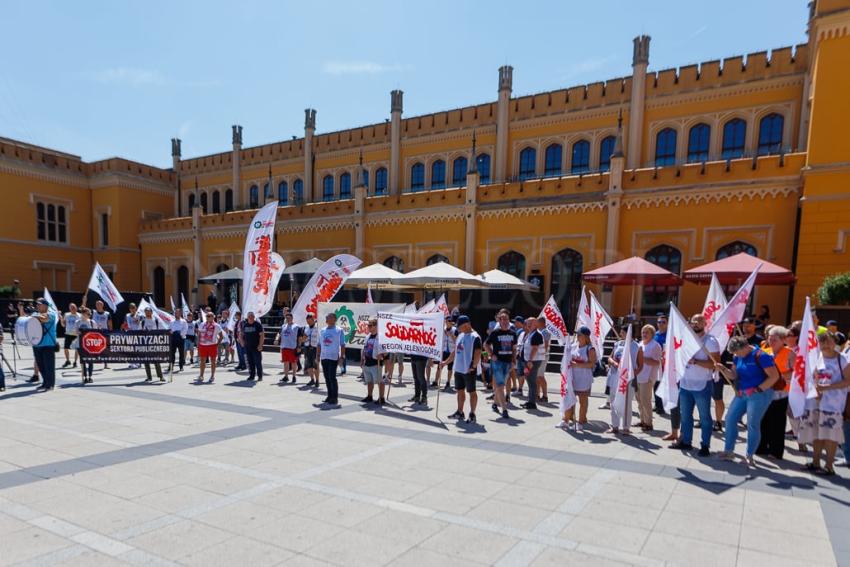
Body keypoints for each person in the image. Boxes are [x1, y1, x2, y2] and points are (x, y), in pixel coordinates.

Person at [715, 335, 780, 465]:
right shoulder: (737, 356)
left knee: (752, 424)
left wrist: (758, 389)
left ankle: (749, 455)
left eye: (738, 352)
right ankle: (729, 451)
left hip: (760, 394)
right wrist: (723, 369)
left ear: (745, 347)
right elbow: (734, 375)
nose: (737, 355)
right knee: (730, 419)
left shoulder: (761, 356)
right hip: (742, 393)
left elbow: (774, 377)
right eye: (734, 354)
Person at [797, 331, 850, 475]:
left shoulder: (843, 360)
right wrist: (814, 389)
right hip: (814, 402)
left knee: (830, 435)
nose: (826, 345)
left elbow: (848, 381)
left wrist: (828, 388)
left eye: (829, 341)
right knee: (816, 433)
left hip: (833, 404)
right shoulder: (815, 357)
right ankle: (815, 462)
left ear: (835, 342)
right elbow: (809, 377)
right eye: (823, 342)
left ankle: (829, 465)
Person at [670, 314, 721, 456]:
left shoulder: (710, 341)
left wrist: (696, 362)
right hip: (685, 384)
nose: (696, 323)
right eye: (693, 321)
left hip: (702, 385)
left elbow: (715, 364)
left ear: (705, 323)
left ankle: (705, 445)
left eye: (699, 321)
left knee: (704, 417)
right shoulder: (687, 339)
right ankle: (686, 441)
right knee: (685, 416)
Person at [756, 326, 794, 460]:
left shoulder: (789, 353)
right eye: (770, 339)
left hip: (781, 393)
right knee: (763, 421)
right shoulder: (764, 351)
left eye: (775, 340)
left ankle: (775, 451)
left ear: (783, 340)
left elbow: (795, 371)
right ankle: (761, 447)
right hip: (766, 392)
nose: (771, 342)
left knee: (777, 423)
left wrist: (777, 375)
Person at [442, 315, 481, 423]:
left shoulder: (475, 337)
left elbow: (478, 353)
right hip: (458, 369)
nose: (458, 328)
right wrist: (445, 362)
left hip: (469, 370)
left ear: (467, 324)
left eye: (460, 326)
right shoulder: (460, 335)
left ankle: (472, 414)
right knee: (460, 391)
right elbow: (455, 352)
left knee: (472, 391)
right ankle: (460, 412)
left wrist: (473, 366)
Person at [604, 325, 642, 434]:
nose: (621, 334)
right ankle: (615, 426)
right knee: (613, 402)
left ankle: (626, 427)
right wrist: (614, 363)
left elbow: (640, 365)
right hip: (614, 377)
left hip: (628, 380)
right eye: (620, 332)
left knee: (627, 403)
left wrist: (632, 375)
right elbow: (609, 358)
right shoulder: (617, 344)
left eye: (623, 332)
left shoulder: (637, 346)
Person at [485, 309, 516, 419]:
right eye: (502, 319)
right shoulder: (495, 332)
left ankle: (495, 403)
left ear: (509, 320)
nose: (504, 321)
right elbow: (486, 344)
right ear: (499, 320)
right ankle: (504, 409)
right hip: (497, 363)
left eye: (506, 319)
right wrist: (491, 354)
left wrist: (514, 361)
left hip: (508, 363)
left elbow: (514, 349)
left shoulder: (513, 333)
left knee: (500, 386)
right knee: (500, 385)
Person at [564, 326, 596, 431]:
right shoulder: (574, 346)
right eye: (577, 334)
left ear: (586, 337)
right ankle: (568, 419)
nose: (577, 336)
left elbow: (592, 364)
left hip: (584, 379)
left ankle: (581, 421)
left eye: (580, 334)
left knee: (583, 401)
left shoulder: (590, 349)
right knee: (570, 399)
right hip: (573, 378)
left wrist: (576, 365)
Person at [21, 299, 57, 392]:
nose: (37, 306)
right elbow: (25, 320)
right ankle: (45, 382)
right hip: (37, 344)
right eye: (37, 305)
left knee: (49, 366)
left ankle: (50, 384)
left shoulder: (52, 314)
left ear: (46, 305)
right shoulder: (34, 315)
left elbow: (44, 318)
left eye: (39, 304)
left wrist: (33, 317)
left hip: (48, 344)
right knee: (41, 366)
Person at [636, 324, 662, 431]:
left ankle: (649, 423)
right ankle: (642, 420)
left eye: (647, 332)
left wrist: (643, 359)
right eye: (643, 332)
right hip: (637, 375)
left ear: (652, 334)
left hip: (648, 377)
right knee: (639, 400)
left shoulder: (655, 345)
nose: (644, 334)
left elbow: (657, 362)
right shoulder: (640, 344)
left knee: (646, 400)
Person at [317, 312, 346, 407]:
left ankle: (334, 397)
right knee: (326, 377)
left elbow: (342, 344)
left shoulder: (339, 330)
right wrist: (317, 356)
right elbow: (319, 344)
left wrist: (342, 357)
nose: (327, 318)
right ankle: (329, 396)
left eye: (329, 317)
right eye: (326, 317)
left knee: (332, 377)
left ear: (334, 319)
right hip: (324, 357)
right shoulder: (322, 330)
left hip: (333, 357)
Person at [520, 318, 545, 411]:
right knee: (529, 381)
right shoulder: (530, 334)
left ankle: (532, 402)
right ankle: (530, 401)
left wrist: (530, 361)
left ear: (536, 324)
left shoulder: (537, 334)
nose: (529, 324)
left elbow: (535, 348)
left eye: (531, 323)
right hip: (529, 361)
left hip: (533, 361)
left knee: (532, 381)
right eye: (528, 323)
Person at [360, 319, 385, 405]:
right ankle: (369, 396)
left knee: (379, 381)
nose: (368, 327)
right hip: (367, 362)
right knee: (369, 381)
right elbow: (364, 348)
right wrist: (362, 359)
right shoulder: (368, 336)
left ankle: (381, 398)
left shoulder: (381, 336)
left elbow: (386, 350)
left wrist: (382, 355)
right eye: (368, 325)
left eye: (370, 325)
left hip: (376, 362)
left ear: (375, 326)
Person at [197, 311, 224, 383]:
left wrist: (217, 344)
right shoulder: (202, 324)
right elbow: (199, 335)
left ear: (213, 317)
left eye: (209, 316)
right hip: (202, 345)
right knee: (202, 361)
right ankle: (201, 375)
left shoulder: (217, 326)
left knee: (213, 362)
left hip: (212, 346)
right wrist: (198, 344)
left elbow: (221, 336)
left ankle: (212, 376)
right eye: (207, 316)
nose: (207, 317)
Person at [140, 307, 165, 382]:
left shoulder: (156, 320)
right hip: (146, 344)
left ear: (151, 312)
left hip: (154, 343)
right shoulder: (143, 321)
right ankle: (149, 377)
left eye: (148, 311)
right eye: (146, 312)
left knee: (156, 361)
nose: (147, 313)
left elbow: (162, 330)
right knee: (146, 361)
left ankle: (161, 376)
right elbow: (138, 332)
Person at [432, 317, 455, 391]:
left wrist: (451, 335)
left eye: (449, 321)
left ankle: (448, 382)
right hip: (444, 351)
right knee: (439, 366)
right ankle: (436, 381)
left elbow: (457, 341)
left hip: (451, 352)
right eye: (447, 321)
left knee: (450, 368)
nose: (448, 322)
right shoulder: (443, 329)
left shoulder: (455, 330)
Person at [240, 311, 265, 382]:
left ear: (254, 317)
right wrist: (242, 342)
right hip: (248, 347)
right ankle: (252, 375)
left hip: (256, 347)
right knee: (250, 362)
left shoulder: (257, 325)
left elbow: (262, 335)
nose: (250, 317)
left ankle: (260, 376)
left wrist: (260, 345)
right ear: (247, 318)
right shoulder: (245, 325)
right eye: (249, 316)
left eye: (252, 316)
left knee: (258, 362)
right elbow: (241, 334)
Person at [276, 312, 300, 383]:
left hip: (292, 347)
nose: (287, 319)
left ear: (292, 318)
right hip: (284, 346)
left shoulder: (296, 326)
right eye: (286, 318)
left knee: (293, 363)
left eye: (289, 318)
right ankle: (286, 376)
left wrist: (299, 346)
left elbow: (299, 337)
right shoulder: (283, 326)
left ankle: (294, 376)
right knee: (285, 362)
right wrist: (276, 339)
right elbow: (279, 333)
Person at [653, 315, 669, 415]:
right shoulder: (654, 335)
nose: (661, 324)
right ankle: (657, 404)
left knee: (662, 386)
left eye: (663, 322)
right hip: (655, 364)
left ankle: (661, 406)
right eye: (659, 322)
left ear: (667, 323)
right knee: (655, 386)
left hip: (666, 366)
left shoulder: (670, 335)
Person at [76, 308, 95, 384]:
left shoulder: (92, 322)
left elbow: (96, 333)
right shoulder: (78, 322)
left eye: (90, 314)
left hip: (90, 344)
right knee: (83, 361)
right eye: (88, 313)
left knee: (90, 361)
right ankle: (84, 377)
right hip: (80, 344)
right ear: (83, 314)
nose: (90, 315)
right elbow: (76, 332)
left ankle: (90, 377)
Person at [92, 300, 112, 369]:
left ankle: (106, 364)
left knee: (105, 348)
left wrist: (110, 332)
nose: (98, 306)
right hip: (96, 333)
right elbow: (83, 309)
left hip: (104, 332)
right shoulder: (93, 312)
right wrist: (84, 301)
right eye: (97, 304)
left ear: (102, 305)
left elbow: (109, 324)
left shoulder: (107, 314)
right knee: (96, 348)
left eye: (99, 304)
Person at [536, 316, 552, 404]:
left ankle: (545, 395)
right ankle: (537, 394)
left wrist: (541, 355)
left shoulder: (545, 332)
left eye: (537, 322)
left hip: (542, 356)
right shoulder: (540, 331)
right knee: (537, 377)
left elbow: (545, 345)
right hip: (539, 356)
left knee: (540, 376)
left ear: (541, 323)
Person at [168, 308, 187, 373]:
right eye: (175, 313)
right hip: (173, 338)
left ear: (180, 313)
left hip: (181, 338)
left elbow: (185, 329)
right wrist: (173, 332)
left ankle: (181, 366)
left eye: (178, 313)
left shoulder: (184, 321)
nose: (176, 314)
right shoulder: (171, 321)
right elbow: (169, 329)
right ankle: (171, 366)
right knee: (172, 353)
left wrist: (180, 334)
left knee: (181, 353)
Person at [302, 314, 320, 388]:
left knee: (316, 365)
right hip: (307, 348)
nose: (308, 323)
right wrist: (303, 338)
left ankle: (317, 380)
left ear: (313, 320)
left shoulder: (318, 327)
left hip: (315, 348)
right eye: (307, 321)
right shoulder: (306, 327)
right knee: (308, 365)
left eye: (310, 321)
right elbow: (303, 339)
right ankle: (312, 379)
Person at [61, 303, 80, 368]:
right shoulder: (66, 315)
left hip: (76, 334)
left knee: (77, 349)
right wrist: (61, 320)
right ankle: (68, 361)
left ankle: (75, 362)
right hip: (68, 333)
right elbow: (63, 325)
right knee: (66, 348)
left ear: (76, 308)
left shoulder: (79, 315)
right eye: (71, 307)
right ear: (69, 308)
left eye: (74, 307)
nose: (73, 309)